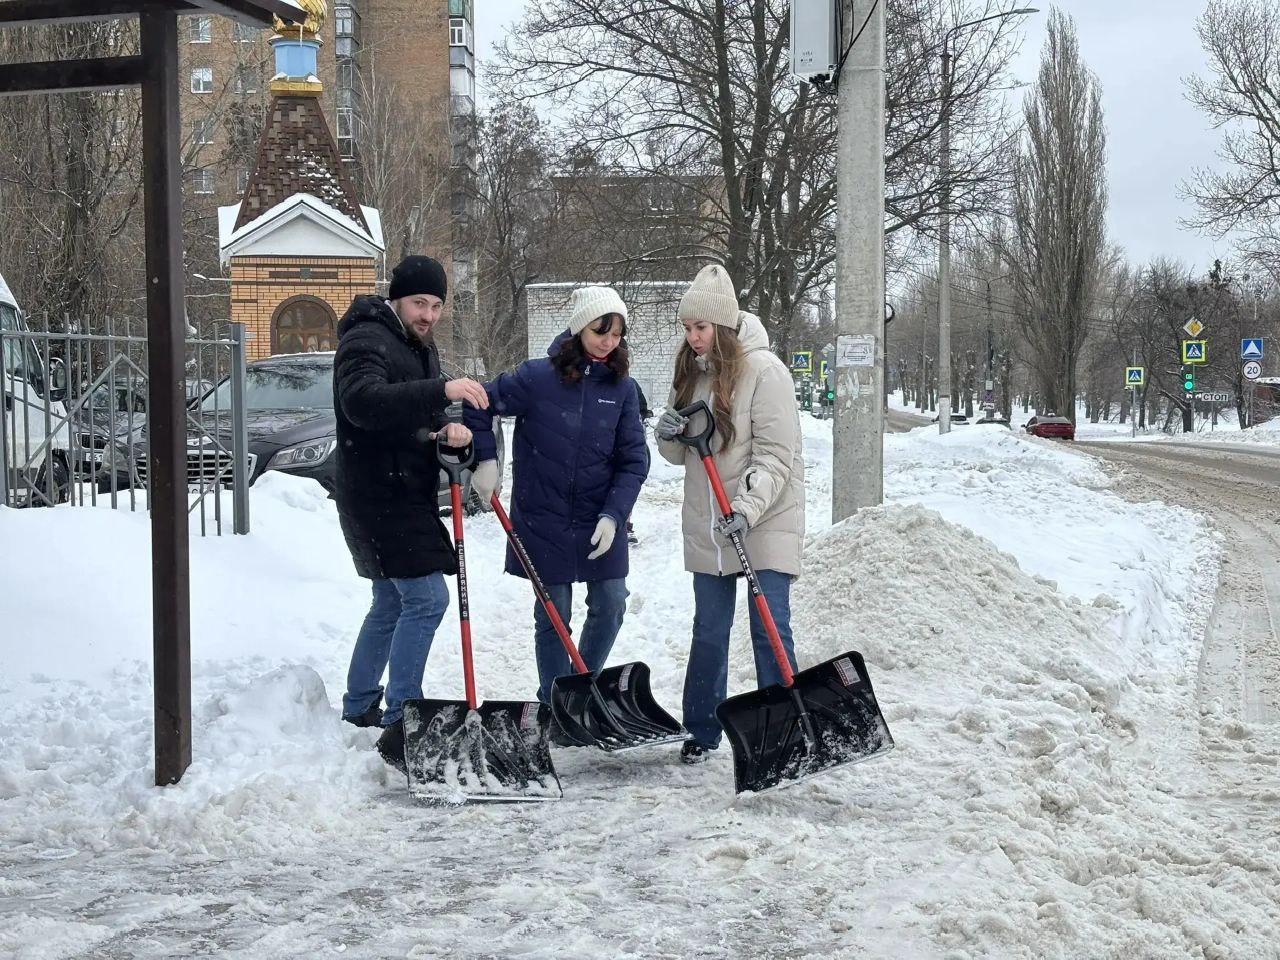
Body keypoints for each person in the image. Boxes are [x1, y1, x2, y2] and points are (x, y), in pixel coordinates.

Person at [332, 254, 489, 772]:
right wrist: (441, 390)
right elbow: (363, 403)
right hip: (379, 495)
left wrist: (446, 430)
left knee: (391, 602)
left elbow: (412, 416)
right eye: (419, 302)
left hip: (401, 492)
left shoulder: (420, 347)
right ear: (396, 299)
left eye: (437, 305)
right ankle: (402, 715)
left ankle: (358, 707)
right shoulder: (366, 339)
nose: (428, 314)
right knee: (426, 599)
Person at [467, 286, 648, 708]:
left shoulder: (622, 389)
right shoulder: (536, 377)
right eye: (600, 330)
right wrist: (486, 460)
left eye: (617, 334)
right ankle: (554, 701)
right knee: (554, 613)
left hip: (598, 516)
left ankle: (579, 689)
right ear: (579, 326)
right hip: (542, 515)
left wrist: (614, 514)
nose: (608, 341)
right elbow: (478, 402)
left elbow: (634, 460)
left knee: (612, 603)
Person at [654, 264, 805, 764]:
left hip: (765, 517)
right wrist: (669, 434)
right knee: (709, 629)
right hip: (711, 524)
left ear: (722, 325)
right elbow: (685, 455)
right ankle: (701, 728)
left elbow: (776, 455)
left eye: (700, 327)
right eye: (687, 328)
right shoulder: (695, 376)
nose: (692, 337)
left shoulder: (767, 371)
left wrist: (746, 508)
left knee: (768, 624)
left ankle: (784, 727)